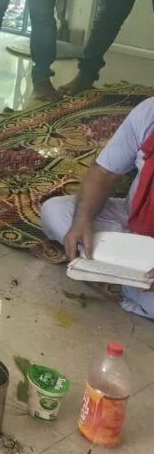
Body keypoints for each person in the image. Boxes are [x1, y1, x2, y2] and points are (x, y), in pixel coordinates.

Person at [40, 97, 154, 319]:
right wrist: (82, 221)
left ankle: (122, 274)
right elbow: (104, 172)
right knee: (56, 212)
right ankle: (130, 274)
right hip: (132, 217)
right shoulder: (149, 112)